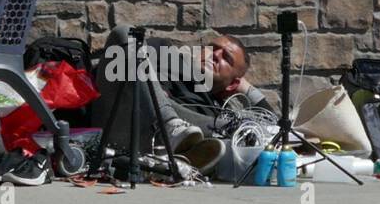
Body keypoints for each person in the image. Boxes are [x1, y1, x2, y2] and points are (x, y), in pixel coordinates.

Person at [90, 24, 274, 174]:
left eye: (226, 57)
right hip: (116, 114)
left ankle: (176, 146)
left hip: (145, 143)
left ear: (233, 84)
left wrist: (246, 88)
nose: (215, 55)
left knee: (230, 134)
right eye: (213, 49)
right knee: (125, 33)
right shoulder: (165, 51)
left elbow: (272, 126)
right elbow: (117, 64)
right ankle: (169, 125)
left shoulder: (217, 109)